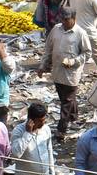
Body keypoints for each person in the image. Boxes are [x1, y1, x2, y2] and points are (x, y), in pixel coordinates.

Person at [40, 9, 94, 139]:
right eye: (62, 19)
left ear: (74, 18)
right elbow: (48, 48)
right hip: (58, 72)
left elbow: (87, 53)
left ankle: (61, 129)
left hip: (71, 73)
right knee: (65, 98)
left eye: (66, 19)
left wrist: (73, 61)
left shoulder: (80, 33)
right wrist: (43, 65)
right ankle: (73, 116)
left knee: (67, 101)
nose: (63, 22)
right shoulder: (56, 30)